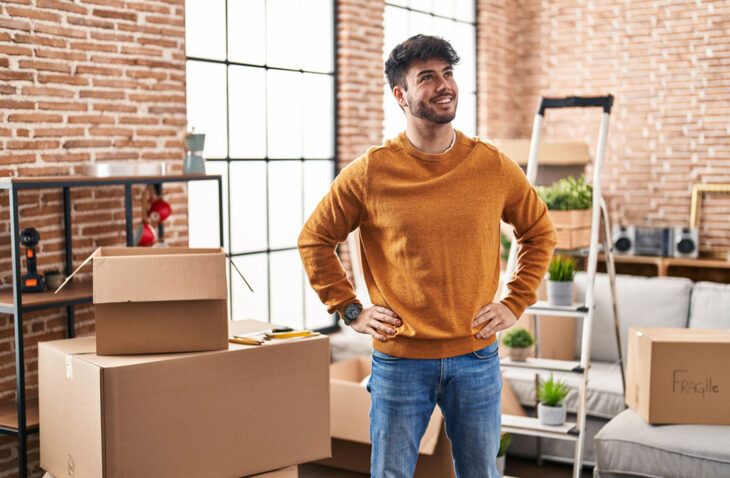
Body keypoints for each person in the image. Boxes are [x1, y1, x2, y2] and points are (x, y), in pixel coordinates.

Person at [298, 34, 557, 478]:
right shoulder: (370, 172)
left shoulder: (492, 165)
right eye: (428, 77)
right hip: (399, 360)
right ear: (400, 94)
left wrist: (515, 302)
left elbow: (539, 232)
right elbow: (315, 239)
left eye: (449, 73)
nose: (444, 85)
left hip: (476, 357)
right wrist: (350, 308)